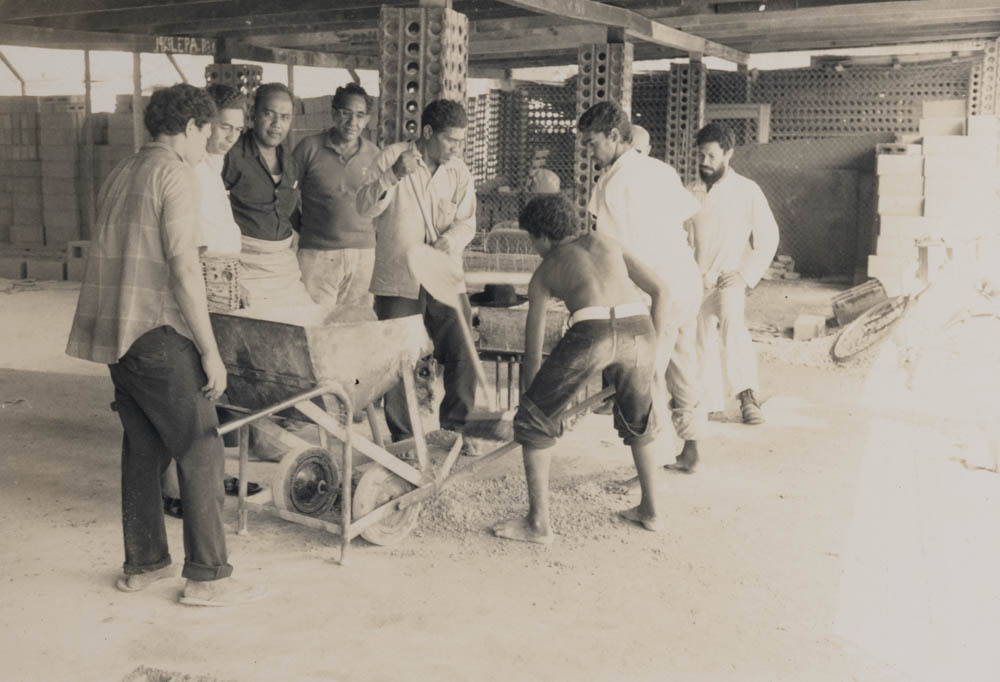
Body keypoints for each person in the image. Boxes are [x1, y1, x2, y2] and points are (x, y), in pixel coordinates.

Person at [65, 84, 261, 606]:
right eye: (208, 132)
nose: (210, 144)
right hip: (156, 332)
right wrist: (210, 349)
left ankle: (144, 564)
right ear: (192, 127)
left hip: (117, 336)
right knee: (201, 447)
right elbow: (183, 269)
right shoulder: (176, 173)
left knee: (144, 447)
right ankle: (206, 577)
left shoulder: (124, 171)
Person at [492, 195, 670, 544]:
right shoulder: (607, 241)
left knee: (532, 422)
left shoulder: (544, 272)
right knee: (639, 420)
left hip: (592, 332)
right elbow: (661, 291)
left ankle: (538, 524)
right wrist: (655, 358)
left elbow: (532, 354)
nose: (534, 246)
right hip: (639, 329)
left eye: (532, 239)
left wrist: (537, 409)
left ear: (542, 235)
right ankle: (651, 510)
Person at [579, 101, 705, 473]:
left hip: (656, 294)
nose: (590, 153)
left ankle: (652, 474)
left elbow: (611, 253)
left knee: (647, 379)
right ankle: (691, 450)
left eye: (592, 143)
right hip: (685, 284)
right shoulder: (660, 169)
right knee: (683, 367)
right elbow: (690, 221)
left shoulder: (611, 183)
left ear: (614, 136)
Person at [357, 99, 477, 442]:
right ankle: (405, 439)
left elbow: (467, 223)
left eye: (460, 141)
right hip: (399, 278)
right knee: (398, 359)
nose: (457, 148)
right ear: (427, 132)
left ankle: (455, 430)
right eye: (451, 140)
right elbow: (363, 207)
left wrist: (450, 241)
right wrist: (394, 174)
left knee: (463, 349)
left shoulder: (459, 171)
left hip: (444, 275)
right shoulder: (391, 157)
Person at [161, 82, 248, 519]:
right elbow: (187, 251)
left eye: (238, 128)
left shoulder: (212, 167)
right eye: (224, 126)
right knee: (193, 392)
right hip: (198, 289)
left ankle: (214, 476)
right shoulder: (187, 171)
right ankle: (178, 490)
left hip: (222, 284)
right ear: (201, 126)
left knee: (211, 394)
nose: (231, 136)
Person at [689, 122, 779, 425]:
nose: (704, 162)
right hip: (696, 280)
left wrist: (745, 274)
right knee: (698, 336)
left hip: (728, 277)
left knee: (732, 322)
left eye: (712, 156)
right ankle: (710, 402)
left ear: (728, 153)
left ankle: (747, 396)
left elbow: (768, 236)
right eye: (701, 155)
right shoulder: (692, 191)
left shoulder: (746, 190)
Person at [223, 82, 316, 321]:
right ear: (253, 114)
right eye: (269, 114)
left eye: (284, 117)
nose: (277, 125)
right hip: (246, 266)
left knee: (301, 323)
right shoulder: (231, 155)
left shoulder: (288, 159)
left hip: (282, 268)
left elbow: (290, 208)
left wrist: (293, 233)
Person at [293, 82, 380, 312]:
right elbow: (286, 196)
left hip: (363, 254)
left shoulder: (374, 154)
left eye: (360, 115)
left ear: (367, 119)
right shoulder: (308, 148)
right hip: (318, 254)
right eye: (345, 113)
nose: (353, 123)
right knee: (316, 322)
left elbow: (381, 202)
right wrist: (305, 229)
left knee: (355, 324)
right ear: (333, 113)